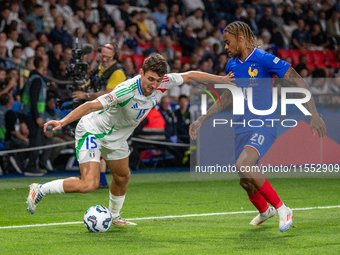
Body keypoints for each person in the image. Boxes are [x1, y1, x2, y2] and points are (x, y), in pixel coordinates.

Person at [26, 53, 235, 226]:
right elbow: (91, 106)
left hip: (116, 139)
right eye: (150, 79)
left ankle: (115, 216)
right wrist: (63, 122)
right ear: (141, 73)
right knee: (89, 184)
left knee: (123, 177)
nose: (153, 85)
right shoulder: (125, 90)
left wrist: (222, 80)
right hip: (92, 131)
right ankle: (39, 189)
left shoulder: (164, 81)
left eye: (157, 80)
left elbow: (189, 75)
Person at [189, 21, 326, 232]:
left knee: (244, 164)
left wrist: (313, 114)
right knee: (246, 181)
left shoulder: (263, 59)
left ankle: (282, 208)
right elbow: (226, 97)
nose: (225, 47)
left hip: (263, 124)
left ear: (241, 38)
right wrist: (202, 119)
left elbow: (298, 80)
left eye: (228, 42)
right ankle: (265, 211)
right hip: (241, 128)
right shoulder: (232, 65)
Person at [72, 43, 127, 189]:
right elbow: (92, 83)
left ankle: (102, 178)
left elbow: (110, 93)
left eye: (107, 57)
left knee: (102, 144)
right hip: (96, 109)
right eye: (102, 56)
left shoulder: (118, 72)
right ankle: (99, 178)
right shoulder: (100, 68)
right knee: (98, 143)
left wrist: (87, 95)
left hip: (109, 112)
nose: (104, 59)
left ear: (114, 56)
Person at [21, 56, 47, 176]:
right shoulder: (37, 79)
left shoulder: (32, 78)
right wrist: (37, 116)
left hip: (29, 114)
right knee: (35, 141)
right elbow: (33, 99)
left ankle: (32, 164)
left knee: (36, 140)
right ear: (41, 64)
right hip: (33, 115)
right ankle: (31, 167)